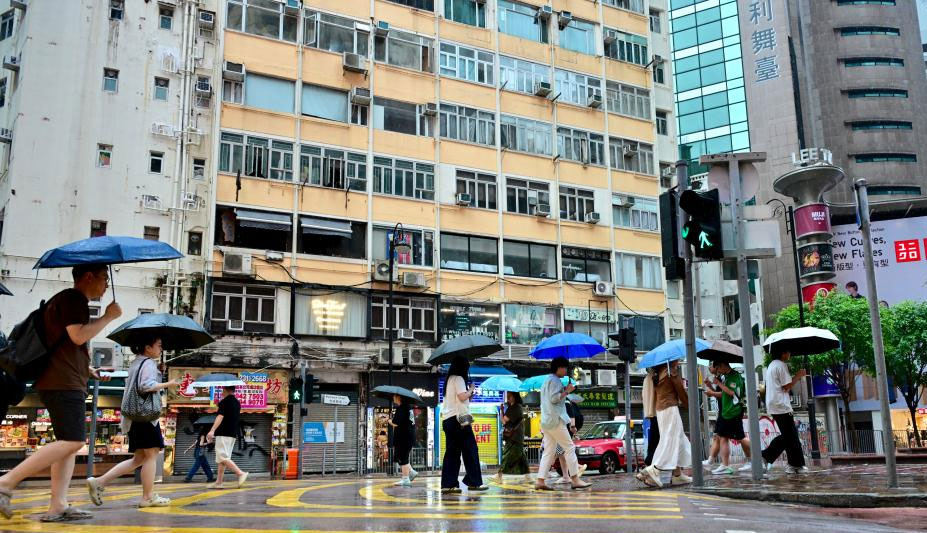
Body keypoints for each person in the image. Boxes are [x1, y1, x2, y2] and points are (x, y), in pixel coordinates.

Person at [0, 265, 121, 522]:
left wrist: (87, 369)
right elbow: (78, 336)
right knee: (73, 442)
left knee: (67, 445)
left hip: (62, 380)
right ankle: (6, 483)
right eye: (104, 278)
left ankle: (58, 505)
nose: (106, 285)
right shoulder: (74, 298)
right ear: (88, 277)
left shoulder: (63, 301)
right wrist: (108, 317)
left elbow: (64, 344)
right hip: (63, 383)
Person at [87, 335, 180, 507]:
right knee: (152, 454)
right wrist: (169, 383)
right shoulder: (148, 363)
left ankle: (99, 482)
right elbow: (145, 386)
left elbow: (142, 384)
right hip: (145, 416)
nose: (161, 349)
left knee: (138, 459)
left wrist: (159, 372)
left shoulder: (137, 362)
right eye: (159, 345)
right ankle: (147, 497)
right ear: (147, 347)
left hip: (134, 417)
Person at [535, 357, 591, 491]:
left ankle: (540, 480)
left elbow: (551, 397)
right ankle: (575, 479)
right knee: (569, 447)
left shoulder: (547, 381)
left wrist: (564, 390)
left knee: (549, 451)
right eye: (565, 368)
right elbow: (555, 398)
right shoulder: (555, 380)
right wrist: (567, 391)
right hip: (556, 420)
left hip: (547, 421)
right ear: (559, 368)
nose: (566, 370)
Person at [639, 360, 692, 488]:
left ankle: (678, 475)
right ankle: (654, 469)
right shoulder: (670, 372)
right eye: (677, 359)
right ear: (671, 360)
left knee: (679, 440)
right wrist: (690, 405)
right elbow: (681, 392)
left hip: (661, 410)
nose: (679, 361)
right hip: (670, 408)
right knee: (670, 441)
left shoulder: (656, 374)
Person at [440, 356, 486, 493]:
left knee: (452, 453)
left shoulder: (450, 379)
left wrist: (469, 394)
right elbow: (461, 397)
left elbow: (460, 399)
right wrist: (471, 388)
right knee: (471, 450)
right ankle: (474, 482)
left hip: (448, 419)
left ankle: (448, 484)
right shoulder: (459, 378)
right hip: (459, 419)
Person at [761, 347, 808, 474]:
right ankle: (765, 456)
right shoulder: (781, 365)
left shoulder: (772, 365)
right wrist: (798, 375)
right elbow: (786, 386)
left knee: (791, 436)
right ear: (782, 353)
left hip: (774, 405)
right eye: (788, 352)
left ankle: (795, 464)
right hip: (781, 405)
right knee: (789, 436)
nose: (789, 354)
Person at [704, 361, 752, 474]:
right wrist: (713, 385)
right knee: (723, 437)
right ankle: (725, 464)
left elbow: (731, 392)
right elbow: (723, 393)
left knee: (736, 437)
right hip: (727, 411)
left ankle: (757, 457)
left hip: (732, 412)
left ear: (722, 365)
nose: (717, 370)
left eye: (716, 367)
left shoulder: (734, 377)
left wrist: (718, 384)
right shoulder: (728, 376)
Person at [206, 386, 249, 488]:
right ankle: (219, 482)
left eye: (222, 390)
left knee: (222, 457)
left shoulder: (224, 402)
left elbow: (220, 416)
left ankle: (240, 473)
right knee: (222, 459)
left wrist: (212, 430)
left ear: (225, 390)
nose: (221, 392)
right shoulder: (237, 402)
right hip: (232, 434)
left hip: (223, 433)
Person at [496, 391, 529, 483]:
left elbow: (503, 421)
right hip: (516, 436)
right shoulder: (513, 407)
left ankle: (499, 475)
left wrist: (501, 411)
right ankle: (528, 476)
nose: (508, 398)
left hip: (513, 436)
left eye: (510, 396)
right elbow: (505, 420)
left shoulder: (515, 407)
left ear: (515, 396)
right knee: (521, 456)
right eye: (508, 396)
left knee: (506, 455)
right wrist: (502, 410)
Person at [389, 394, 417, 486]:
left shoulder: (401, 408)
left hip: (403, 437)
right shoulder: (409, 408)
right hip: (409, 435)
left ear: (399, 397)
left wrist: (389, 421)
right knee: (402, 455)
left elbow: (395, 423)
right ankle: (411, 472)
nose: (393, 398)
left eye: (394, 396)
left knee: (403, 457)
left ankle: (405, 479)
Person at [701, 362, 722, 468]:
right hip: (723, 411)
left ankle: (753, 459)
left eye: (711, 365)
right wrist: (710, 386)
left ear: (717, 367)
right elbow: (719, 395)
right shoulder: (719, 378)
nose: (709, 368)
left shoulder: (722, 378)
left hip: (727, 411)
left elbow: (725, 394)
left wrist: (712, 393)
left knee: (740, 438)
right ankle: (711, 460)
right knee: (717, 437)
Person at [641, 368, 659, 468]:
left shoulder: (646, 379)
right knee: (658, 439)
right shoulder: (655, 378)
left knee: (653, 439)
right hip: (658, 412)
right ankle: (651, 461)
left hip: (651, 412)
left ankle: (650, 460)